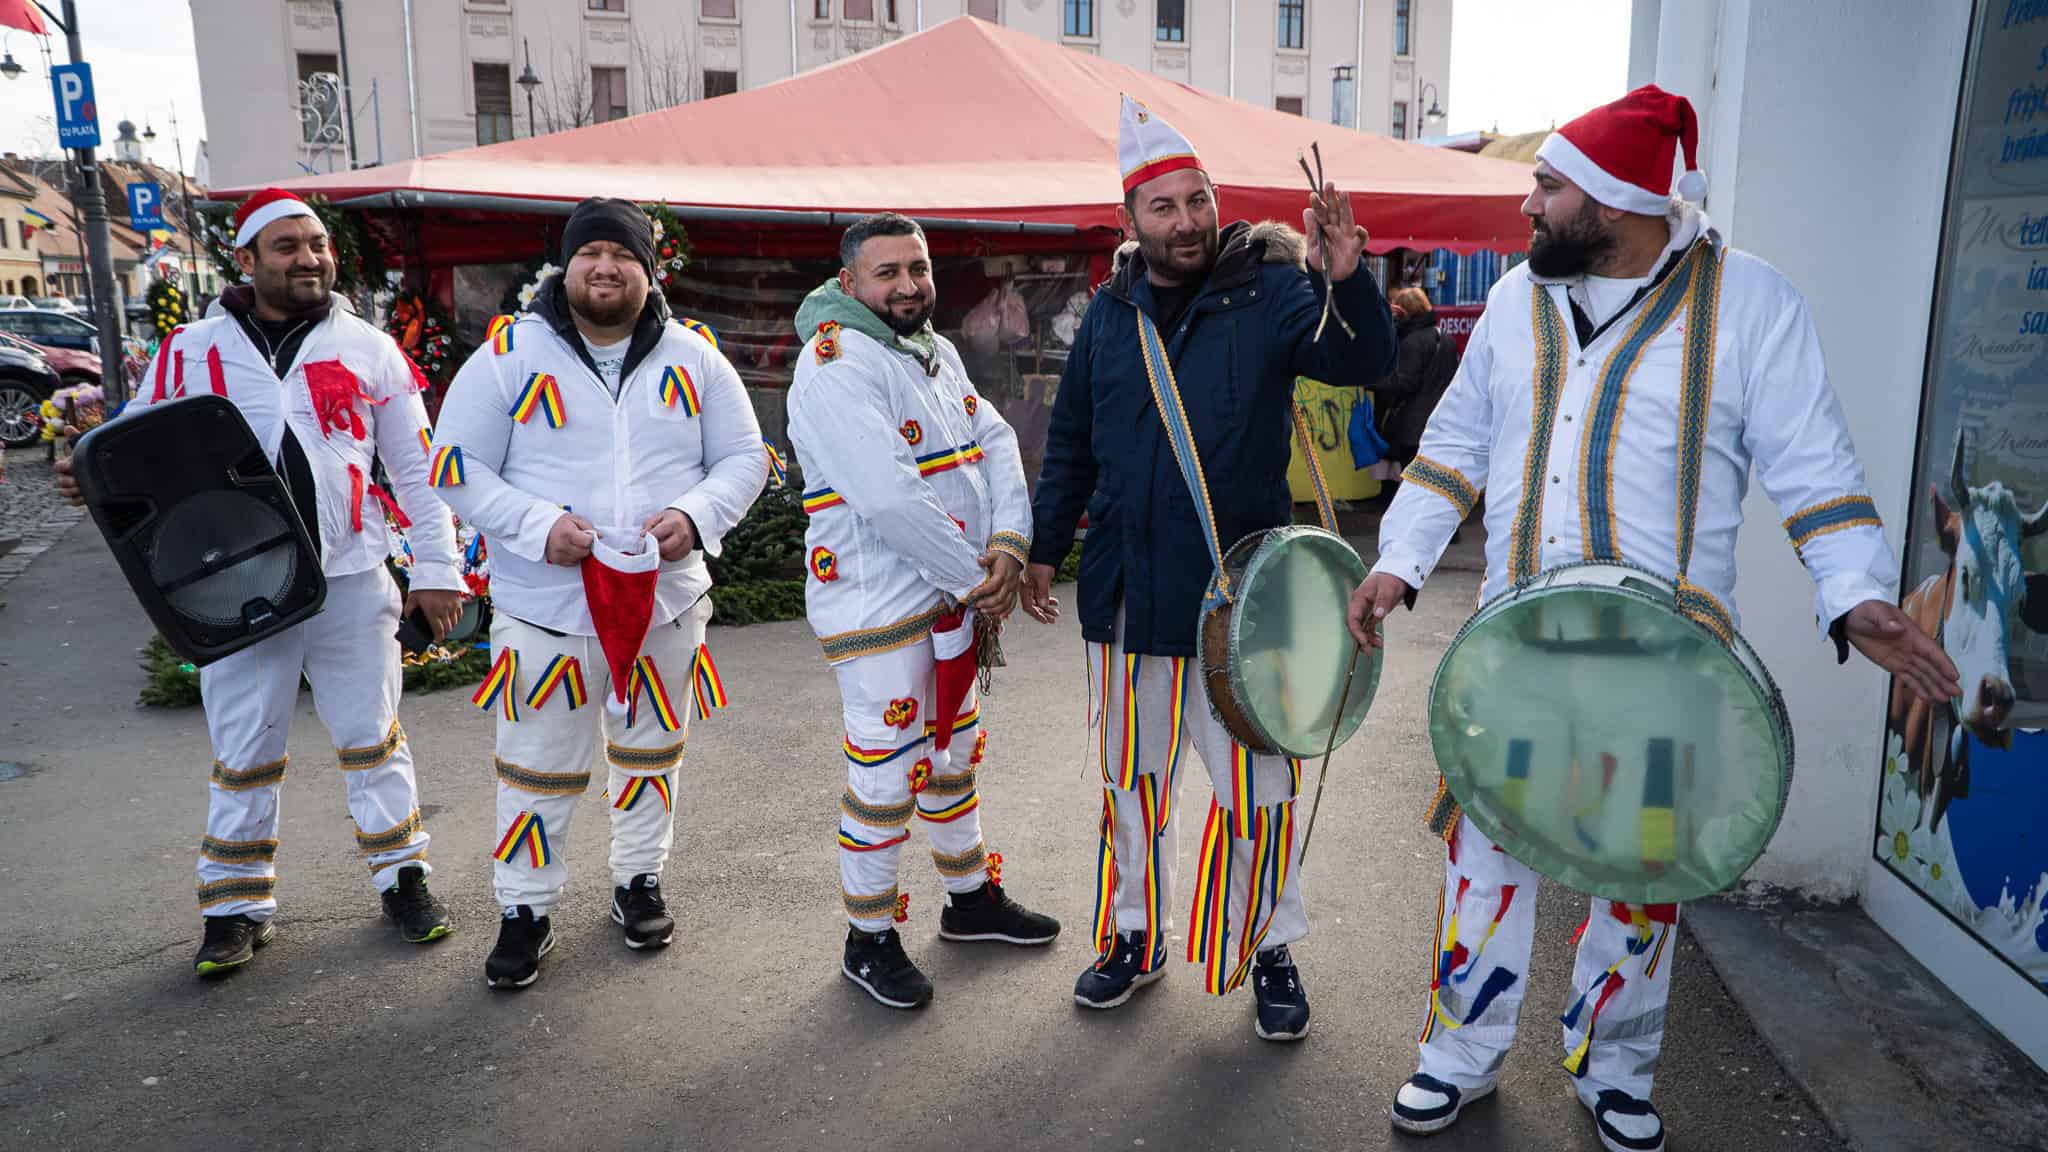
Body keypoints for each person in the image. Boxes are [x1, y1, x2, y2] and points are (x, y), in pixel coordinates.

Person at [1345, 87, 1959, 1151]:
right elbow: (1452, 445)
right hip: (1515, 652)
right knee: (1485, 863)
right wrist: (1395, 561)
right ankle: (1457, 1054)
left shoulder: (1750, 306)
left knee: (1638, 874)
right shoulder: (1509, 303)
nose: (1525, 206)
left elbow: (1813, 466)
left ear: (1618, 202)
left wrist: (1854, 592)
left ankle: (1611, 1068)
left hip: (1667, 666)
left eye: (1546, 186)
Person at [1023, 95, 1396, 1039]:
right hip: (1126, 593)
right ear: (1130, 222)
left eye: (1198, 200)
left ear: (1215, 201)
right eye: (1165, 207)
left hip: (1245, 603)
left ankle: (1269, 945)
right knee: (1132, 786)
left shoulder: (1273, 291)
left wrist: (1348, 282)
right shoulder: (1108, 316)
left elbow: (1361, 366)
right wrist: (1041, 548)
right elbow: (1070, 443)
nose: (1186, 221)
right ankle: (1134, 936)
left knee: (1259, 791)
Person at [56, 188, 465, 976]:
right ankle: (235, 906)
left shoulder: (371, 348)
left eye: (317, 244)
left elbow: (417, 472)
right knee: (244, 748)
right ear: (245, 261)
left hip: (348, 578)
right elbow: (130, 448)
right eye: (287, 246)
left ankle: (403, 878)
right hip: (232, 584)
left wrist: (437, 570)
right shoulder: (188, 349)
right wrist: (87, 476)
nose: (309, 258)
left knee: (372, 738)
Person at [430, 197, 769, 990]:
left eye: (625, 257)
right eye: (592, 255)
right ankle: (524, 909)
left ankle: (638, 881)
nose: (607, 269)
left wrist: (695, 514)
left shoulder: (695, 357)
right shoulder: (510, 355)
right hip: (546, 609)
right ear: (567, 265)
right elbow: (454, 463)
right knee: (535, 766)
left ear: (650, 274)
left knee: (652, 754)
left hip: (666, 603)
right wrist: (535, 524)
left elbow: (747, 458)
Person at [787, 212, 1060, 1010]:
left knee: (951, 752)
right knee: (886, 770)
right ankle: (867, 936)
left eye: (919, 267)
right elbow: (886, 497)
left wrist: (1008, 543)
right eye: (887, 272)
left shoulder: (930, 351)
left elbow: (999, 439)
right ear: (849, 283)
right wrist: (984, 578)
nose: (908, 285)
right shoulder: (834, 364)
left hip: (952, 595)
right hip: (879, 605)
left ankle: (969, 898)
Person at [1374, 285, 1461, 473]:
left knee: (1411, 476)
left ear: (1406, 311)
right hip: (1440, 419)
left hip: (1412, 424)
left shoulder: (1413, 341)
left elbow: (1405, 382)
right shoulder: (1445, 337)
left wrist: (1372, 383)